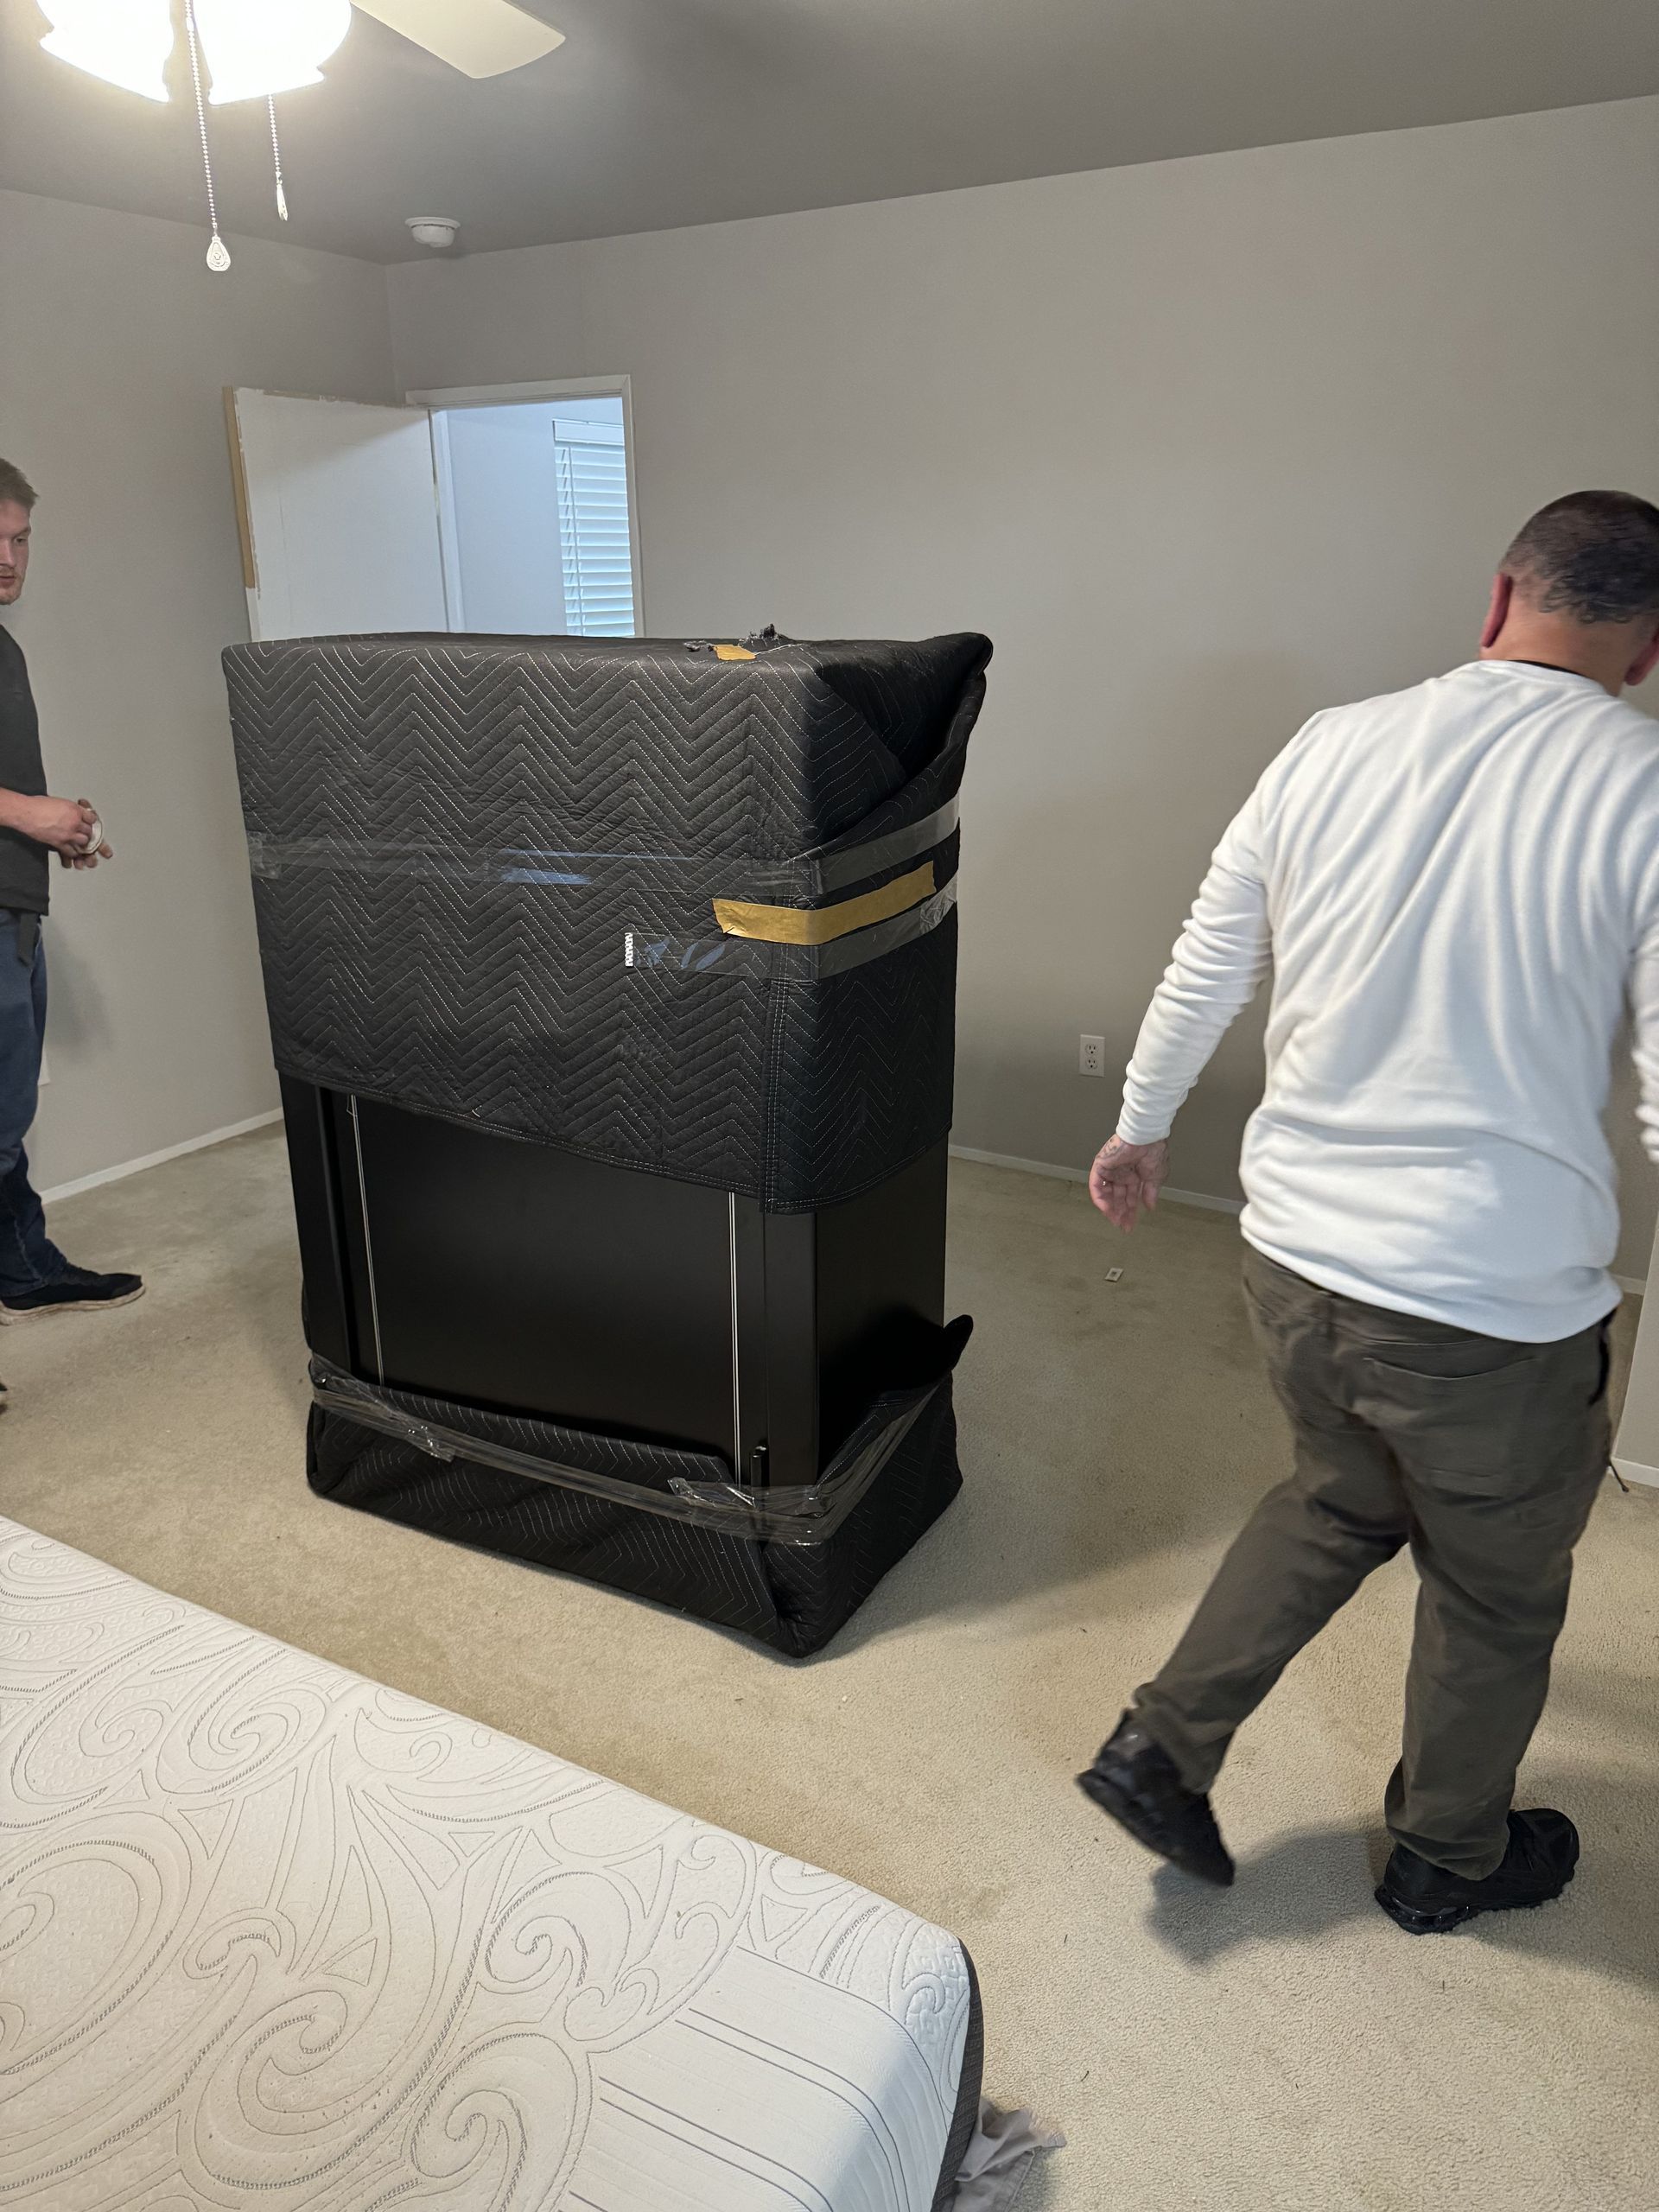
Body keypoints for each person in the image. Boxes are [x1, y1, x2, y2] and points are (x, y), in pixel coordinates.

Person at [1077, 490, 1659, 1935]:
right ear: (1649, 652)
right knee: (1498, 1590)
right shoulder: (1643, 786)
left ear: (1496, 600)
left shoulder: (1329, 742)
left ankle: (1163, 1743)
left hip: (1294, 1256)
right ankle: (1446, 1856)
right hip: (1487, 1305)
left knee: (1337, 1497)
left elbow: (1211, 957)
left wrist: (1141, 1129)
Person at [0, 457, 143, 1410]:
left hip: (15, 909)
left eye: (21, 540)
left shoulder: (3, 647)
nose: (11, 559)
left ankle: (24, 1267)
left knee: (6, 1122)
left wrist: (57, 835)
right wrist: (28, 816)